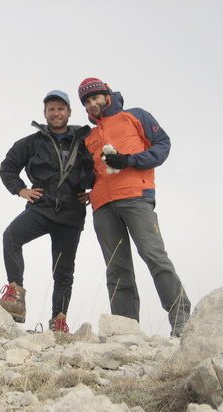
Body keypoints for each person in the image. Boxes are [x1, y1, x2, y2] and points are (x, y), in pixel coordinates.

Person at [77, 77, 190, 337]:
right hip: (103, 207)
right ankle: (125, 332)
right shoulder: (89, 137)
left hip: (136, 197)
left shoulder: (134, 116)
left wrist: (128, 160)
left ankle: (182, 321)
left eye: (96, 97)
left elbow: (163, 146)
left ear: (107, 95)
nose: (93, 103)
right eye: (87, 101)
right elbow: (89, 173)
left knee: (154, 256)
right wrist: (83, 189)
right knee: (117, 269)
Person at [0, 89, 94, 333]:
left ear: (69, 112)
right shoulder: (32, 142)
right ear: (45, 113)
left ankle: (58, 321)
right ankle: (16, 296)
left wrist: (95, 192)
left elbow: (100, 168)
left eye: (61, 109)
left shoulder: (85, 140)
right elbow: (7, 167)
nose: (56, 113)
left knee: (63, 270)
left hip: (71, 214)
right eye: (51, 109)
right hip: (42, 208)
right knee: (11, 236)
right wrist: (21, 190)